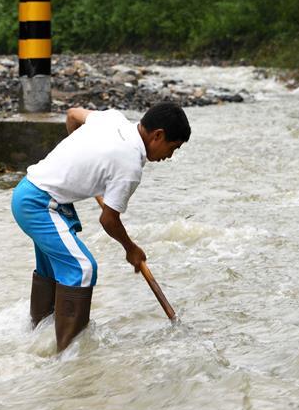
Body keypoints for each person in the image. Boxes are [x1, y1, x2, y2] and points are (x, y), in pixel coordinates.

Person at [11, 102, 191, 352]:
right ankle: (67, 358)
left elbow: (73, 114)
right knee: (82, 269)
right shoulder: (130, 167)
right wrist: (131, 249)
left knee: (52, 270)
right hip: (39, 204)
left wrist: (80, 157)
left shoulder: (113, 118)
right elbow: (108, 220)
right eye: (173, 148)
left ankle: (37, 337)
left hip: (27, 192)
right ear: (157, 135)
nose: (169, 156)